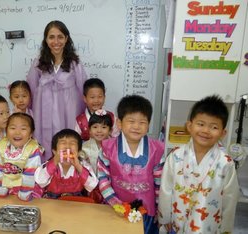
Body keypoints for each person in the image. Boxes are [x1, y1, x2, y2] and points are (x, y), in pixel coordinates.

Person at [158, 95, 239, 233]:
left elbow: (229, 201)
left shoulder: (225, 163)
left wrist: (225, 229)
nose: (206, 131)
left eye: (214, 127)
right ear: (189, 126)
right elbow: (166, 191)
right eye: (201, 124)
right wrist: (164, 220)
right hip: (177, 223)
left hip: (208, 225)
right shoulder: (175, 156)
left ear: (223, 133)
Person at [98, 95, 165, 233]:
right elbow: (103, 180)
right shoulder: (107, 148)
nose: (136, 126)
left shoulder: (157, 150)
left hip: (146, 212)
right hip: (115, 209)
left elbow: (160, 184)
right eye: (131, 121)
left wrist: (160, 210)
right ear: (119, 123)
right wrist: (116, 204)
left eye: (142, 122)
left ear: (148, 124)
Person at [27, 20, 87, 161]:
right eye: (51, 37)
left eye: (60, 37)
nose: (56, 41)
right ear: (46, 40)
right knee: (46, 145)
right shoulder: (38, 63)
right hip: (43, 113)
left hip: (68, 112)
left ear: (66, 39)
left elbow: (84, 89)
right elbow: (31, 89)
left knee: (67, 143)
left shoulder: (74, 64)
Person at [0, 112, 44, 201]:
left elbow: (30, 173)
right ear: (6, 131)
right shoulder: (1, 145)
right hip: (5, 188)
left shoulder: (33, 149)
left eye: (23, 129)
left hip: (29, 189)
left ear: (31, 133)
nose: (17, 132)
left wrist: (25, 193)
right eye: (12, 128)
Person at [34, 129, 98, 199]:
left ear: (79, 152)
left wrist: (78, 167)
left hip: (77, 203)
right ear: (54, 151)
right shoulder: (48, 164)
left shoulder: (83, 165)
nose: (67, 146)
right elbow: (40, 181)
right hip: (53, 203)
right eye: (63, 143)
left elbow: (92, 185)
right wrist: (55, 161)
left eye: (72, 143)